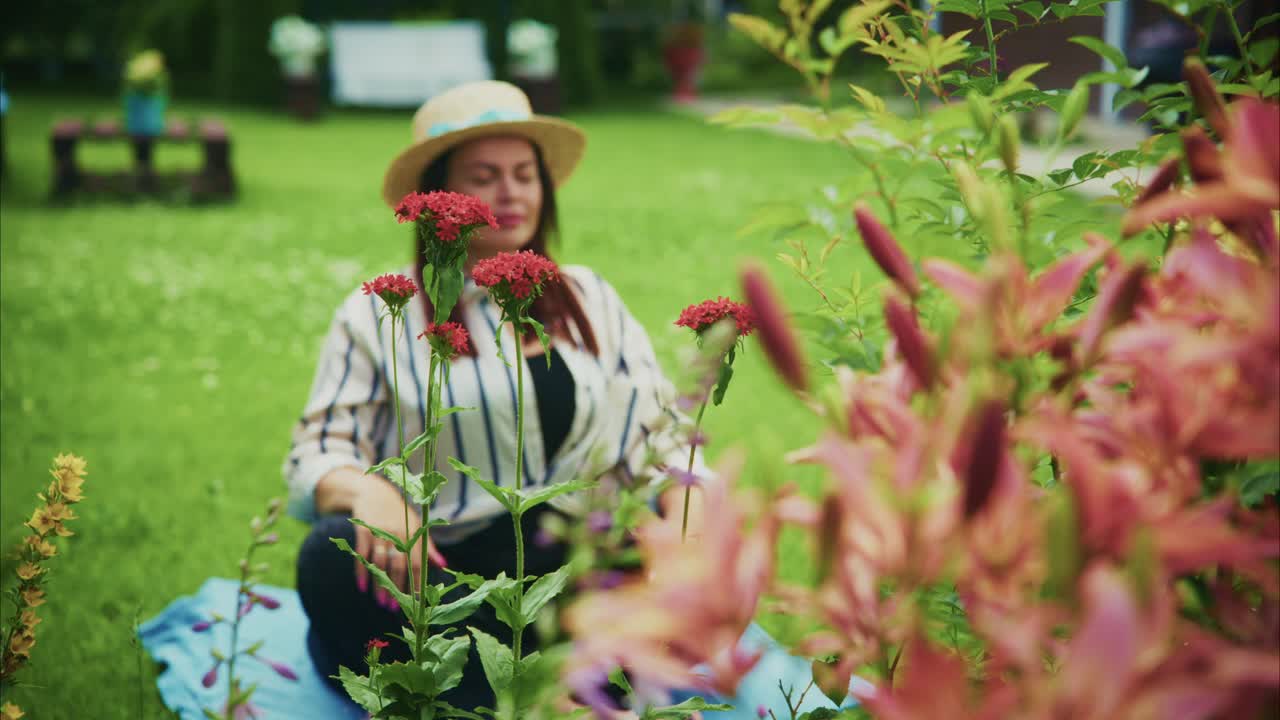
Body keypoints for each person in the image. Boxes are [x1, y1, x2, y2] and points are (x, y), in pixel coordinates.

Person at [283, 80, 702, 709]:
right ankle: (529, 687)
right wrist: (366, 489)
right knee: (326, 558)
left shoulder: (589, 296)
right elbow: (315, 455)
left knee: (685, 556)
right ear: (437, 199)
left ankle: (489, 690)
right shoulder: (378, 313)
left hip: (572, 566)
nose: (509, 192)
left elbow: (659, 436)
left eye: (524, 174)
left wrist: (693, 513)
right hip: (440, 578)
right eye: (484, 175)